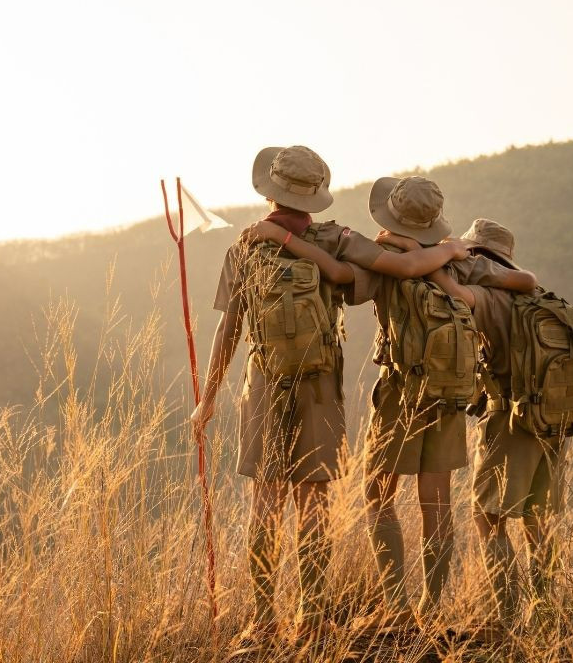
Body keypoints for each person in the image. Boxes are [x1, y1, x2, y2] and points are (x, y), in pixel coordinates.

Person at [188, 147, 471, 649]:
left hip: (264, 381)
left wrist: (207, 398)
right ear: (315, 196)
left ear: (269, 190)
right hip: (320, 384)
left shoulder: (246, 246)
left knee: (265, 503)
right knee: (313, 500)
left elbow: (228, 329)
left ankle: (264, 619)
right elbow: (393, 271)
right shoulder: (337, 239)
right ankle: (313, 617)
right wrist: (442, 249)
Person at [254, 177, 536, 626]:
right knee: (436, 502)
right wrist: (450, 257)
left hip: (399, 393)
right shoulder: (461, 262)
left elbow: (341, 276)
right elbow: (524, 280)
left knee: (378, 497)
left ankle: (398, 607)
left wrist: (291, 239)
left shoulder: (387, 260)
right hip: (447, 396)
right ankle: (431, 605)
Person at [437, 219, 573, 629]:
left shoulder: (489, 298)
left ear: (477, 256)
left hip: (509, 417)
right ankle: (543, 612)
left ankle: (504, 616)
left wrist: (441, 253)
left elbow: (451, 291)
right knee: (537, 519)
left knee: (486, 516)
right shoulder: (543, 299)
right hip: (553, 420)